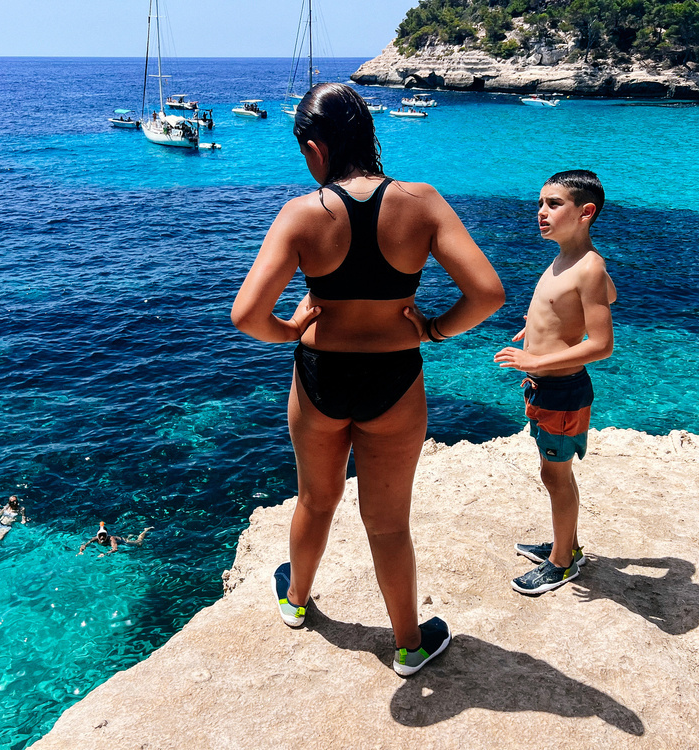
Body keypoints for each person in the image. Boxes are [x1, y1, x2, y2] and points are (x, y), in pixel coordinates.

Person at [231, 83, 505, 676]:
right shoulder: (422, 202)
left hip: (321, 376)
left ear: (315, 147)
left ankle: (297, 601)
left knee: (316, 499)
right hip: (395, 378)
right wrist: (431, 330)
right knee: (388, 522)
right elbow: (487, 294)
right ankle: (408, 643)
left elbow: (247, 316)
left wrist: (293, 329)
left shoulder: (302, 214)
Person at [493, 169, 616, 596]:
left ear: (586, 212)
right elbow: (604, 296)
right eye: (540, 203)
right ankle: (568, 543)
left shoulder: (588, 266)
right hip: (547, 391)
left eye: (553, 204)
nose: (541, 212)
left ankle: (563, 562)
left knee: (556, 478)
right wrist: (540, 325)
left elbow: (601, 345)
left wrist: (535, 357)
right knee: (553, 473)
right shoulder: (569, 258)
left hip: (564, 393)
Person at [78, 521, 153, 556]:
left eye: (103, 535)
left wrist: (105, 553)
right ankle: (130, 536)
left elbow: (115, 549)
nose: (101, 537)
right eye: (100, 535)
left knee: (139, 542)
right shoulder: (95, 538)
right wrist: (81, 551)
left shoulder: (112, 539)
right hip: (118, 539)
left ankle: (145, 530)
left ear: (107, 535)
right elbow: (85, 544)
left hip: (122, 541)